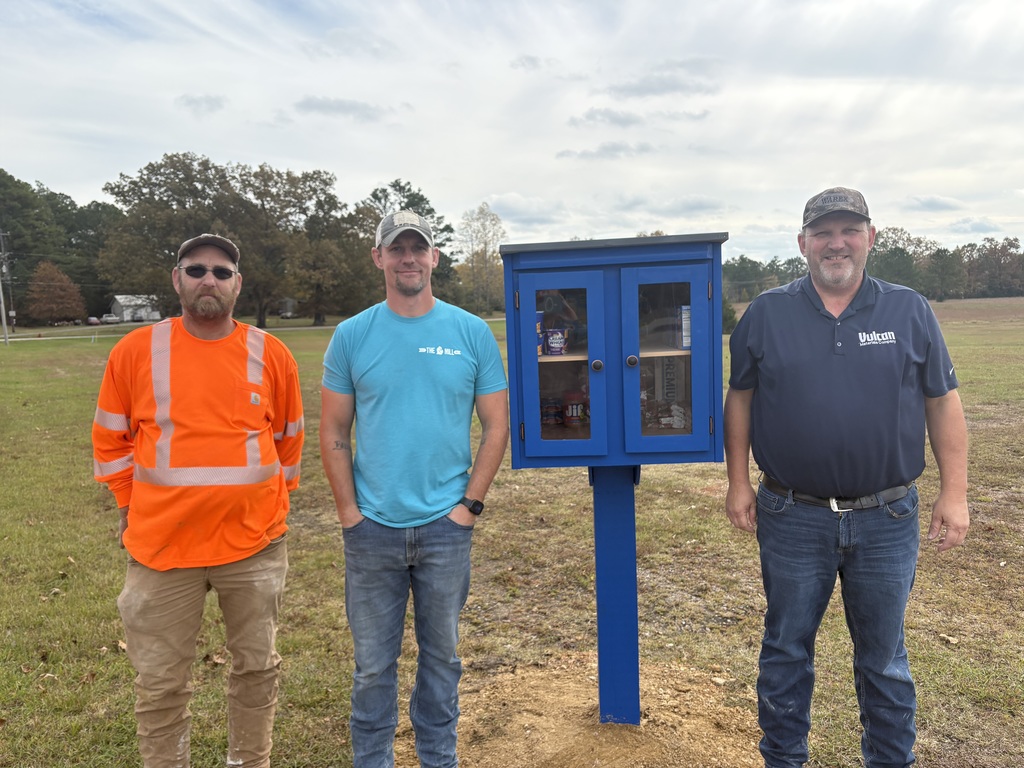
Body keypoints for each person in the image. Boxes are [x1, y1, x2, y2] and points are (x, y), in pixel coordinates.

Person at [724, 187, 969, 768]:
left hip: (887, 516)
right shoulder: (766, 313)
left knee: (884, 658)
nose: (837, 243)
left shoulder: (909, 310)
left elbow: (942, 401)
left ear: (870, 237)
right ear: (803, 243)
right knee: (785, 650)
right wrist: (738, 481)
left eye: (849, 230)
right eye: (824, 233)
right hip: (791, 515)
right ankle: (783, 759)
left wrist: (954, 492)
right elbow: (741, 399)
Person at [92, 233, 304, 768]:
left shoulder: (270, 353)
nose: (208, 279)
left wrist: (266, 510)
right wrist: (127, 503)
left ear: (238, 284)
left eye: (221, 271)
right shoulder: (135, 351)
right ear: (177, 280)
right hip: (161, 549)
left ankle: (249, 761)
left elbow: (288, 440)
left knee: (256, 668)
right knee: (161, 682)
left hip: (253, 547)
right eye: (196, 269)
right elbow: (111, 439)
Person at [319, 210, 509, 768]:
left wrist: (468, 507)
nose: (408, 258)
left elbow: (496, 425)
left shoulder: (470, 331)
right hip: (372, 529)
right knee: (373, 664)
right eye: (396, 249)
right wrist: (350, 514)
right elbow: (332, 430)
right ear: (378, 258)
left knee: (443, 659)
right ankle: (372, 759)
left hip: (445, 529)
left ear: (435, 258)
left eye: (418, 249)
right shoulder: (352, 335)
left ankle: (437, 758)